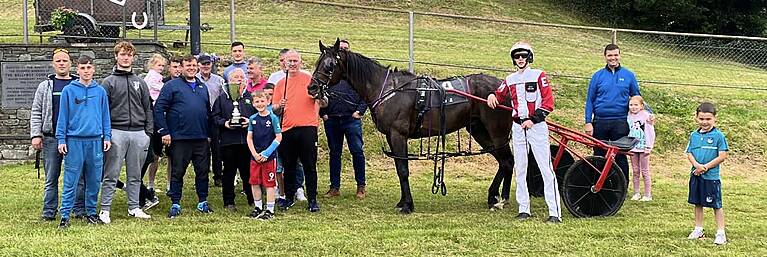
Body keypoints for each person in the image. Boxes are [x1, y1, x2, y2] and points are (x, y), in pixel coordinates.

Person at [487, 41, 562, 223]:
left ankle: (554, 212)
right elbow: (499, 94)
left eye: (523, 55)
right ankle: (524, 209)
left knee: (545, 168)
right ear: (513, 59)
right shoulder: (510, 79)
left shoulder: (538, 75)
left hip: (536, 127)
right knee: (520, 168)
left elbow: (548, 103)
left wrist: (533, 119)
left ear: (529, 57)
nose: (520, 59)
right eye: (516, 56)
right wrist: (491, 95)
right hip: (518, 128)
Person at [55, 55, 112, 228]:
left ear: (93, 69)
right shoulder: (69, 90)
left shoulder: (100, 91)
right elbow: (62, 116)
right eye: (83, 68)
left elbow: (105, 115)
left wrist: (107, 136)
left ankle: (91, 213)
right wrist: (61, 139)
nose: (86, 71)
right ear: (77, 70)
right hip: (74, 141)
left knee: (94, 180)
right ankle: (65, 215)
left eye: (89, 68)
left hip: (95, 140)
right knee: (71, 180)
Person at [100, 41, 153, 223]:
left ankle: (134, 207)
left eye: (129, 55)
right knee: (111, 174)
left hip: (139, 133)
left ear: (133, 58)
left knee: (135, 175)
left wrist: (148, 133)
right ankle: (105, 209)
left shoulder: (140, 82)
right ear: (116, 57)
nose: (125, 58)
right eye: (122, 54)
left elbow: (148, 108)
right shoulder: (108, 82)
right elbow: (103, 110)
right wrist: (106, 134)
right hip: (116, 132)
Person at [30, 48, 86, 221]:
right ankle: (49, 210)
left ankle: (78, 209)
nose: (61, 63)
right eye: (58, 61)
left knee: (79, 177)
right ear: (53, 64)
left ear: (70, 63)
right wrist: (36, 134)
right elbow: (36, 111)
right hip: (51, 138)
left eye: (65, 60)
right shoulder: (44, 86)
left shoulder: (80, 84)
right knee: (51, 177)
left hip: (75, 138)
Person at [155, 55, 214, 219]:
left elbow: (207, 112)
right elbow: (159, 109)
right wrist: (164, 131)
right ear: (181, 67)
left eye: (194, 65)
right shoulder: (171, 86)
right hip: (179, 138)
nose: (191, 68)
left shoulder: (202, 87)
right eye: (188, 65)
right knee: (177, 172)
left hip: (201, 138)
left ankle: (202, 201)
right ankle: (175, 203)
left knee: (202, 172)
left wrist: (208, 134)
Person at [272, 50, 327, 212]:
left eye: (295, 61)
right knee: (289, 165)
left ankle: (312, 199)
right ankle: (289, 197)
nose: (292, 64)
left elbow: (323, 101)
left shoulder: (310, 79)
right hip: (287, 128)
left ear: (300, 62)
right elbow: (274, 108)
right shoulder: (281, 83)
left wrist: (320, 97)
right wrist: (278, 107)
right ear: (284, 63)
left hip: (308, 128)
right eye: (289, 61)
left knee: (309, 165)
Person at [584, 44, 649, 182]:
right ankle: (599, 184)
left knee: (620, 155)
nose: (613, 58)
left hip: (620, 122)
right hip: (600, 122)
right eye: (610, 55)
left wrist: (648, 114)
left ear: (620, 55)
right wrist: (588, 122)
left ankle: (622, 185)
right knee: (599, 154)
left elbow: (637, 97)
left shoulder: (628, 75)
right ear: (605, 57)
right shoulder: (597, 76)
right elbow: (590, 100)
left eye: (615, 55)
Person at [319, 39, 368, 199]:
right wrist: (323, 113)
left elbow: (366, 93)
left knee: (357, 151)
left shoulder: (355, 74)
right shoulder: (330, 72)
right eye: (340, 49)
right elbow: (321, 92)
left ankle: (361, 186)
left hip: (351, 119)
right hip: (332, 119)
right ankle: (334, 187)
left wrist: (359, 111)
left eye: (345, 49)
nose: (343, 51)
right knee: (334, 153)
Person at [212, 68, 256, 210]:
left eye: (241, 77)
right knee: (229, 172)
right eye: (235, 77)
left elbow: (258, 116)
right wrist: (224, 123)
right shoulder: (222, 98)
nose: (239, 80)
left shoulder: (251, 97)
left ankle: (252, 199)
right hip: (228, 141)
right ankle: (229, 202)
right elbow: (214, 117)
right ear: (229, 81)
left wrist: (249, 121)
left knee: (247, 172)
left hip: (247, 142)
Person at [685, 102, 728, 245]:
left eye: (708, 119)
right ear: (696, 118)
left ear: (714, 118)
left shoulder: (719, 136)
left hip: (711, 177)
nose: (705, 122)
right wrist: (696, 166)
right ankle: (698, 229)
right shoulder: (693, 135)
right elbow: (689, 152)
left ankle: (721, 232)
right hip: (696, 175)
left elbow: (722, 156)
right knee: (697, 202)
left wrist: (705, 167)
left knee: (716, 205)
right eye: (701, 119)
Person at [246, 90, 282, 220]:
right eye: (257, 101)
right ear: (253, 103)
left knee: (269, 184)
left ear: (268, 102)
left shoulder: (272, 118)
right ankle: (258, 207)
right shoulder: (252, 119)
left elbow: (278, 137)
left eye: (262, 101)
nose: (260, 104)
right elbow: (249, 138)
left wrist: (267, 153)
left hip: (269, 158)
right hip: (255, 158)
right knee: (254, 182)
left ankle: (270, 210)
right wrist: (255, 154)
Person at [197, 54, 225, 187]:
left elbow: (222, 99)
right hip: (200, 117)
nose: (205, 66)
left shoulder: (219, 80)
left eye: (208, 64)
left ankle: (218, 175)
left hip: (214, 117)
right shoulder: (194, 79)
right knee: (202, 149)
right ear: (198, 65)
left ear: (211, 64)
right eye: (203, 64)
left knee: (217, 148)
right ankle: (202, 176)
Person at [627, 95, 655, 201]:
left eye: (636, 105)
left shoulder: (646, 116)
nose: (633, 107)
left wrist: (648, 146)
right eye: (631, 105)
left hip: (643, 147)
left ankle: (647, 194)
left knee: (645, 171)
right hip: (633, 147)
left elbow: (650, 131)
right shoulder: (628, 116)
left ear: (642, 106)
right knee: (635, 170)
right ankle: (636, 192)